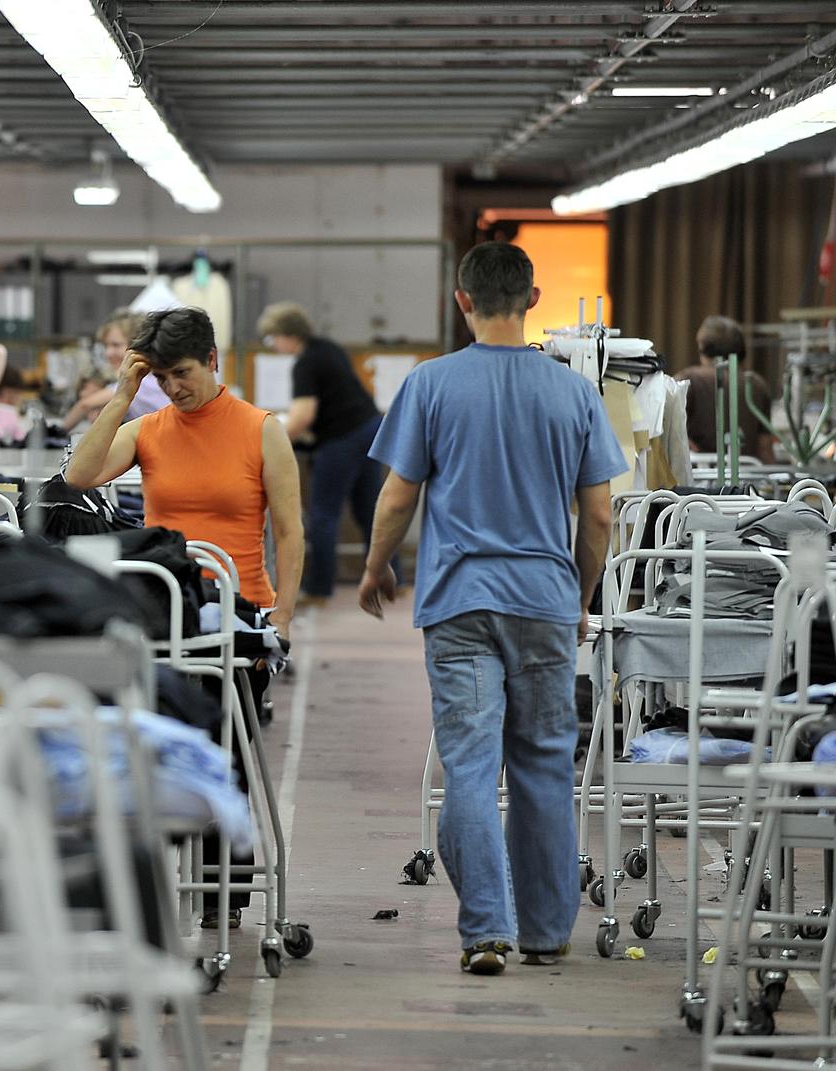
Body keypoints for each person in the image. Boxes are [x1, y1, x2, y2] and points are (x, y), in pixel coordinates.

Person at [356, 242, 625, 976]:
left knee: (470, 765)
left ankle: (485, 931)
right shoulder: (575, 393)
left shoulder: (430, 383)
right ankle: (546, 931)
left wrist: (377, 568)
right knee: (542, 765)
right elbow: (598, 514)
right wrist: (579, 592)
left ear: (462, 300)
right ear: (533, 300)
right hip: (542, 600)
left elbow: (399, 493)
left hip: (459, 600)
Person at [66, 306, 303, 930]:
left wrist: (284, 618)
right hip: (165, 618)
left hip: (238, 615)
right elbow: (78, 474)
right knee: (162, 751)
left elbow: (289, 530)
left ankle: (225, 893)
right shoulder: (148, 429)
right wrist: (121, 395)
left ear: (214, 362)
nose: (174, 387)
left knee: (225, 751)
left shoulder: (260, 430)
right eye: (163, 376)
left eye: (184, 372)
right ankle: (161, 885)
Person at [259, 300, 397, 608]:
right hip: (370, 429)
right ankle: (394, 579)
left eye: (273, 339)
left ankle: (319, 590)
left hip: (342, 439)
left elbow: (303, 416)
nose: (274, 346)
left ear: (286, 334)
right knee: (370, 511)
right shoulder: (328, 348)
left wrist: (271, 441)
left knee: (323, 515)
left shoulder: (305, 362)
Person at [674, 315, 776, 462]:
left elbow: (662, 428)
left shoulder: (689, 380)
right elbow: (765, 449)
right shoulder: (757, 384)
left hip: (700, 475)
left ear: (702, 347)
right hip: (749, 476)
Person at [64, 309, 171, 430]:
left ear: (138, 344)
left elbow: (85, 405)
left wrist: (58, 431)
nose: (108, 353)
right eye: (106, 346)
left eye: (116, 345)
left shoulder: (143, 380)